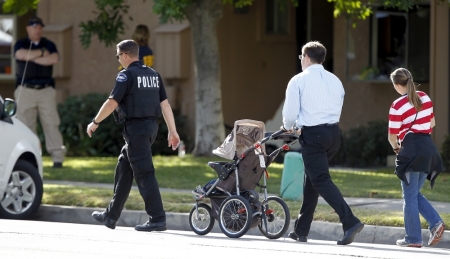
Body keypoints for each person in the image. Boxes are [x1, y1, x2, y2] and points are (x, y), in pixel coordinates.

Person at [87, 39, 180, 231]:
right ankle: (111, 216)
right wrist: (173, 131)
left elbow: (112, 103)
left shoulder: (126, 75)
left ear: (126, 55)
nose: (118, 59)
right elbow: (165, 105)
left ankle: (157, 218)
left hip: (136, 130)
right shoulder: (154, 75)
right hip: (150, 128)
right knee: (124, 167)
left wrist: (95, 122)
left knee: (144, 173)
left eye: (118, 55)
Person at [281, 41, 363, 245]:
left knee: (320, 180)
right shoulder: (335, 80)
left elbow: (289, 115)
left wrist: (289, 127)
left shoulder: (298, 80)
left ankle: (350, 221)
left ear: (307, 57)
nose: (301, 61)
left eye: (301, 57)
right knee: (312, 180)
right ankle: (301, 230)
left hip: (314, 136)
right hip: (333, 134)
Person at [388, 68, 445, 248]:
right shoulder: (424, 97)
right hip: (428, 150)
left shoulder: (397, 105)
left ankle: (413, 238)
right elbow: (432, 123)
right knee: (413, 194)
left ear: (397, 85)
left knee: (409, 197)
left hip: (410, 150)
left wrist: (397, 148)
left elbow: (391, 136)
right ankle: (435, 223)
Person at [14, 16, 65, 168]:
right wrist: (43, 54)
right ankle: (30, 158)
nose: (38, 30)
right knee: (25, 125)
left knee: (51, 123)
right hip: (25, 90)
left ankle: (57, 159)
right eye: (35, 27)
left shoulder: (48, 44)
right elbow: (21, 55)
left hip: (45, 90)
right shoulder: (21, 43)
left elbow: (54, 59)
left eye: (40, 27)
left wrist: (33, 56)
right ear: (28, 29)